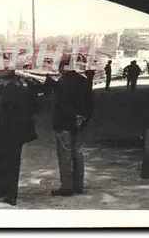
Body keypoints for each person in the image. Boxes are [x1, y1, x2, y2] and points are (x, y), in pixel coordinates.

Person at [0, 73, 36, 206]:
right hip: (16, 134)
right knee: (13, 164)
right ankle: (10, 195)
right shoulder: (23, 92)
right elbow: (34, 109)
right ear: (15, 78)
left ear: (2, 79)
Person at [51, 58, 91, 197]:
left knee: (65, 155)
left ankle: (66, 187)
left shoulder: (62, 82)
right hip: (80, 123)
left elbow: (61, 105)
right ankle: (78, 185)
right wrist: (82, 118)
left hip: (64, 123)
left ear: (64, 67)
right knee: (78, 153)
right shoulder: (84, 81)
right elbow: (90, 102)